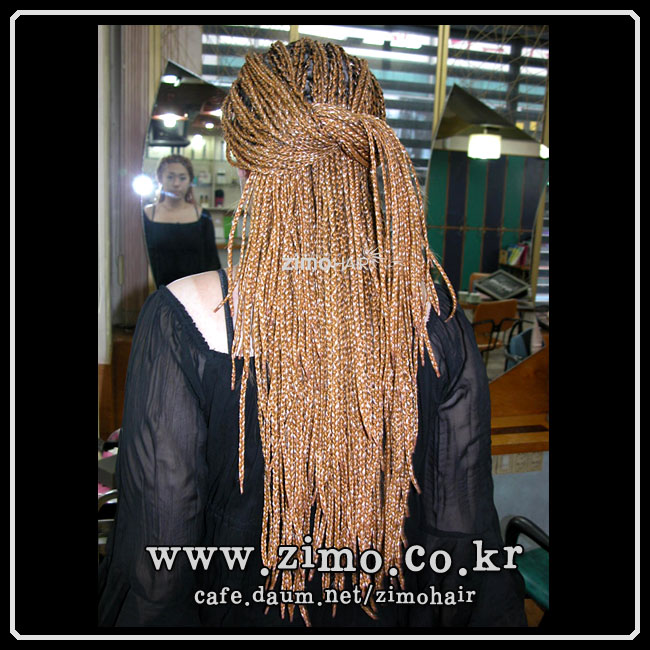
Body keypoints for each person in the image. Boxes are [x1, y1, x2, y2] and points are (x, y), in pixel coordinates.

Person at [98, 38, 527, 628]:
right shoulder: (439, 316)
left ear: (243, 161)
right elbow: (463, 534)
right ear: (367, 156)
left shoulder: (183, 318)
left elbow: (159, 565)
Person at [143, 154, 221, 287]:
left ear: (190, 180)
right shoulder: (147, 214)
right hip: (157, 290)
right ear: (160, 178)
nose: (176, 183)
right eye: (170, 177)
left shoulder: (202, 216)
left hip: (196, 292)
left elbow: (212, 262)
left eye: (182, 178)